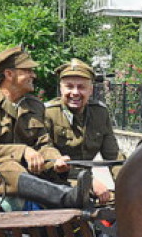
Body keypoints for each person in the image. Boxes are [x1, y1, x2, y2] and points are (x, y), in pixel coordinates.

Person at [0, 45, 91, 208]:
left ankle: (69, 199)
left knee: (35, 173)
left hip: (25, 176)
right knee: (11, 168)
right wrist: (23, 151)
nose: (33, 75)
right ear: (9, 74)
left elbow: (43, 144)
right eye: (27, 71)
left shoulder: (35, 106)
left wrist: (56, 160)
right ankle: (66, 197)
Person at [44, 58, 123, 205]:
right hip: (53, 186)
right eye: (69, 87)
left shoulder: (99, 113)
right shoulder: (48, 113)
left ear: (91, 90)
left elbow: (113, 156)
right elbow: (45, 152)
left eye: (81, 87)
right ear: (61, 88)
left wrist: (127, 182)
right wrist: (90, 183)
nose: (75, 92)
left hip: (85, 187)